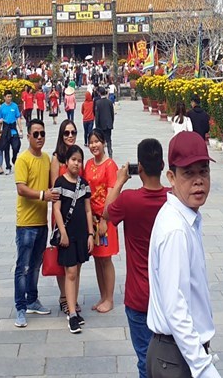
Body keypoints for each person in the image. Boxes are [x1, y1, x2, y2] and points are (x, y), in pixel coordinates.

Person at [146, 131, 220, 378]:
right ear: (171, 177)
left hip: (180, 352)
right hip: (177, 357)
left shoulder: (186, 218)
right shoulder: (176, 229)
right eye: (189, 173)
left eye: (204, 171)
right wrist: (203, 367)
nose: (199, 181)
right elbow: (175, 308)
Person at [103, 139, 168, 378]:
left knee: (145, 360)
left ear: (139, 167)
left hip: (139, 295)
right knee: (170, 360)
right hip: (169, 296)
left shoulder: (129, 200)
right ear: (162, 164)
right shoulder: (173, 199)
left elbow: (107, 212)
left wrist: (119, 180)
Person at [13, 119, 58, 328]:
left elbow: (52, 185)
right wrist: (43, 195)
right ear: (28, 136)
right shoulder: (23, 159)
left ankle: (32, 299)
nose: (39, 137)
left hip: (41, 221)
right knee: (23, 266)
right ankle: (20, 307)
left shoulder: (47, 158)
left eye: (42, 134)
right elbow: (21, 188)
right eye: (36, 134)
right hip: (26, 223)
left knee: (36, 265)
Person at [52, 145, 93, 334]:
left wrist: (91, 234)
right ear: (66, 161)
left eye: (79, 160)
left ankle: (73, 306)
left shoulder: (84, 184)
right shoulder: (60, 182)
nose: (76, 163)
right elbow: (56, 210)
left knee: (77, 270)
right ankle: (72, 314)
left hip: (82, 233)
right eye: (73, 159)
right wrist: (63, 232)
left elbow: (87, 210)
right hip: (67, 234)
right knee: (70, 272)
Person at [83, 130, 118, 314]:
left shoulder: (110, 165)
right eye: (91, 142)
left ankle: (110, 298)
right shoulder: (88, 164)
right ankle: (102, 296)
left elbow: (112, 193)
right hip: (92, 220)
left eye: (97, 141)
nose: (94, 145)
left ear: (104, 143)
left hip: (105, 219)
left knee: (106, 259)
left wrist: (105, 218)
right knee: (97, 258)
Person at [50, 119, 79, 317]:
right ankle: (64, 297)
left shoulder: (76, 156)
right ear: (61, 135)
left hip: (77, 214)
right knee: (63, 260)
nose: (70, 135)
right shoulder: (57, 158)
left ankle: (73, 299)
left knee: (76, 261)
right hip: (61, 213)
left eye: (73, 132)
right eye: (66, 132)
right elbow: (54, 189)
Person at [0, 90, 23, 174]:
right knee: (6, 149)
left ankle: (14, 158)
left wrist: (20, 129)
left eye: (10, 97)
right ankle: (8, 166)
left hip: (13, 129)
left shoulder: (14, 106)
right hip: (5, 129)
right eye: (8, 97)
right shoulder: (1, 108)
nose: (9, 98)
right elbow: (0, 120)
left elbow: (18, 117)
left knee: (16, 146)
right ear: (4, 97)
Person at [94, 86, 114, 158]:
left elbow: (97, 116)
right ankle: (110, 153)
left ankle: (103, 154)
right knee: (108, 139)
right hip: (108, 124)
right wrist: (111, 122)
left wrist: (96, 126)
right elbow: (112, 114)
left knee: (101, 140)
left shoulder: (98, 103)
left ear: (99, 93)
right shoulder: (109, 102)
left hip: (101, 125)